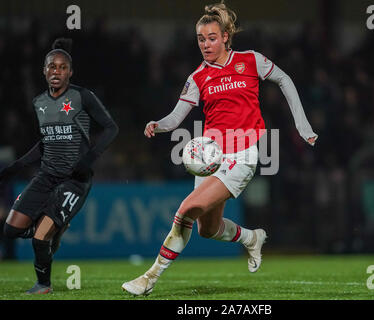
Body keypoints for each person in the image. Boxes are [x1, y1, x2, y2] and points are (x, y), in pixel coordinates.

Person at [122, 1, 317, 296]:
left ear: (225, 36)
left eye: (212, 38)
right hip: (210, 155)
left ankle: (149, 277)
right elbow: (176, 116)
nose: (206, 44)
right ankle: (252, 238)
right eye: (201, 39)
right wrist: (158, 124)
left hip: (243, 154)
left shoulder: (251, 60)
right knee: (207, 229)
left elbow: (284, 80)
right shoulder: (198, 77)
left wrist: (302, 125)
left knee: (186, 210)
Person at [0, 38, 119, 294]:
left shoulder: (82, 96)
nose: (56, 71)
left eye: (62, 67)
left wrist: (88, 160)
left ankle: (43, 285)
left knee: (38, 238)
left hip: (74, 179)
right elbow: (46, 142)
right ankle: (55, 231)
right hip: (46, 176)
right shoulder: (39, 102)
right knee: (10, 229)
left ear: (70, 72)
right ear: (44, 71)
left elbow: (111, 128)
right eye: (51, 66)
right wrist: (15, 166)